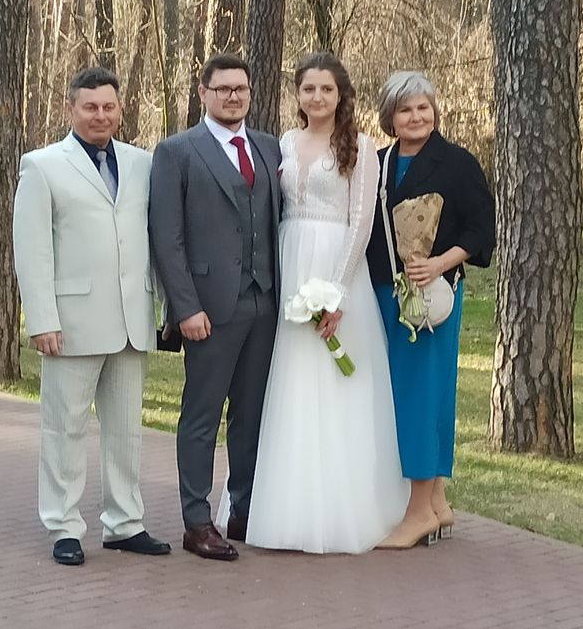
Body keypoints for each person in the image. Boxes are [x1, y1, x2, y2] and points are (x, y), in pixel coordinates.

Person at [220, 52, 410, 554]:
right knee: (284, 380)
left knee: (331, 383)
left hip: (335, 263)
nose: (318, 97)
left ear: (340, 94)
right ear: (297, 94)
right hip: (288, 263)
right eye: (309, 89)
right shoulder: (283, 142)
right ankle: (274, 503)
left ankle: (337, 507)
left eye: (327, 89)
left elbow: (361, 222)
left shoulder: (360, 146)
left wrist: (336, 292)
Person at [12, 67, 171, 565]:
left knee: (126, 431)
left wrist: (165, 306)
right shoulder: (42, 166)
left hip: (131, 319)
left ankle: (124, 523)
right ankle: (63, 526)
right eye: (90, 107)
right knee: (65, 429)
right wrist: (42, 318)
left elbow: (157, 239)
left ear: (120, 109)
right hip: (71, 321)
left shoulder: (142, 163)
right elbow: (32, 249)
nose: (100, 115)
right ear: (70, 109)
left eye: (108, 107)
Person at [149, 54, 282, 562]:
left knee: (251, 414)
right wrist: (185, 307)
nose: (233, 96)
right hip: (208, 308)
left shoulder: (268, 147)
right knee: (202, 415)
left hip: (265, 302)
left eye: (240, 89)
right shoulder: (177, 151)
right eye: (223, 89)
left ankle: (242, 510)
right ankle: (196, 521)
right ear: (203, 93)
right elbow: (167, 238)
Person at [366, 71, 495, 549]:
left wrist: (440, 263)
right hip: (384, 293)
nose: (416, 116)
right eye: (405, 109)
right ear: (390, 116)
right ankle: (437, 502)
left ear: (435, 111)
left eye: (423, 107)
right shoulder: (377, 164)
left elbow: (482, 232)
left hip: (431, 298)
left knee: (420, 398)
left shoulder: (458, 163)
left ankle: (418, 512)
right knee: (416, 395)